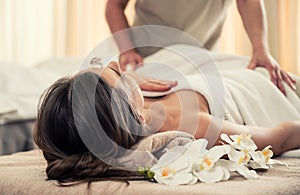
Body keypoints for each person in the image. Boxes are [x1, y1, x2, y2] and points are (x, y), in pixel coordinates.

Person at [34, 47, 300, 184]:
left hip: (216, 70)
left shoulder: (124, 111)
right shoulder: (191, 125)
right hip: (258, 86)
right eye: (116, 73)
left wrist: (132, 80)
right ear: (136, 115)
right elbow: (279, 137)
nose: (116, 62)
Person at [105, 0, 296, 95]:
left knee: (269, 79)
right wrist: (128, 50)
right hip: (147, 57)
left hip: (203, 56)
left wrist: (261, 49)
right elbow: (114, 5)